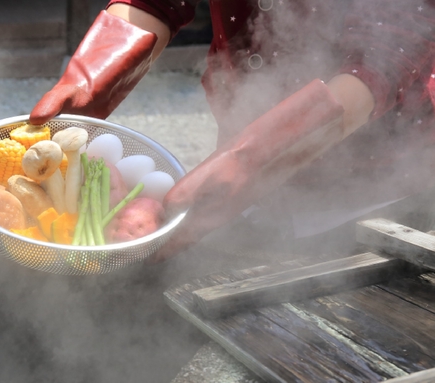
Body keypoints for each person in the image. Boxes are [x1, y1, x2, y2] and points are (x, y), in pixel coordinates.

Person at [30, 0, 435, 262]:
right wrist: (93, 76)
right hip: (241, 175)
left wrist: (253, 158)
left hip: (376, 189)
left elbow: (381, 59)